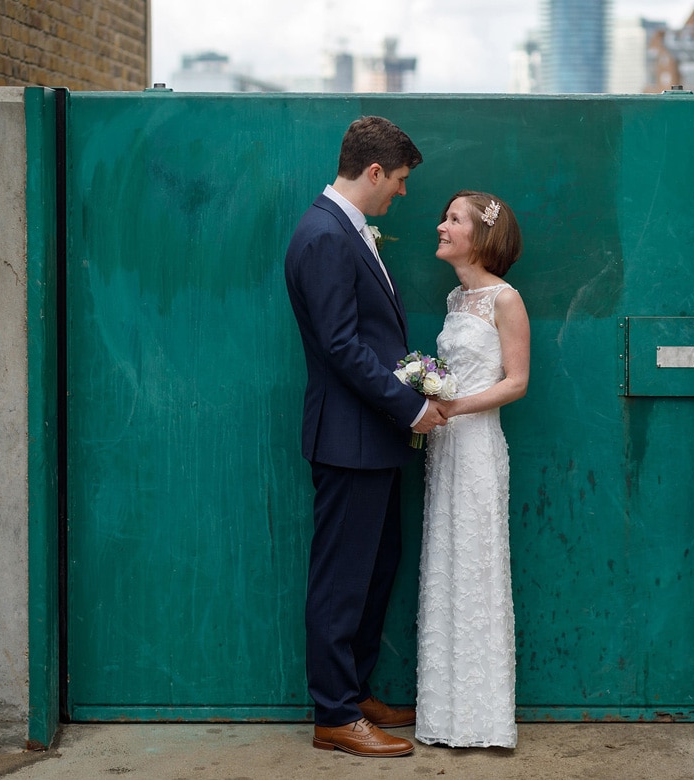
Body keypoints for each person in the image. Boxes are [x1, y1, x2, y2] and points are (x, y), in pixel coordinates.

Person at [284, 116, 448, 758]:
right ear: (374, 171)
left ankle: (354, 691)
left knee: (375, 570)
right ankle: (333, 714)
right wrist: (410, 408)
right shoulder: (324, 235)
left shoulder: (347, 231)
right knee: (341, 579)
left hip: (369, 439)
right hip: (349, 438)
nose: (403, 193)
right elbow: (342, 346)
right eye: (401, 180)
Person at [415, 191, 529, 749]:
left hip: (478, 447)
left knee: (477, 565)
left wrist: (451, 407)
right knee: (446, 564)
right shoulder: (457, 299)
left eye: (453, 219)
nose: (442, 225)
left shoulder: (505, 299)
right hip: (445, 450)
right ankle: (444, 716)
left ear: (481, 237)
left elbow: (516, 381)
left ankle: (484, 719)